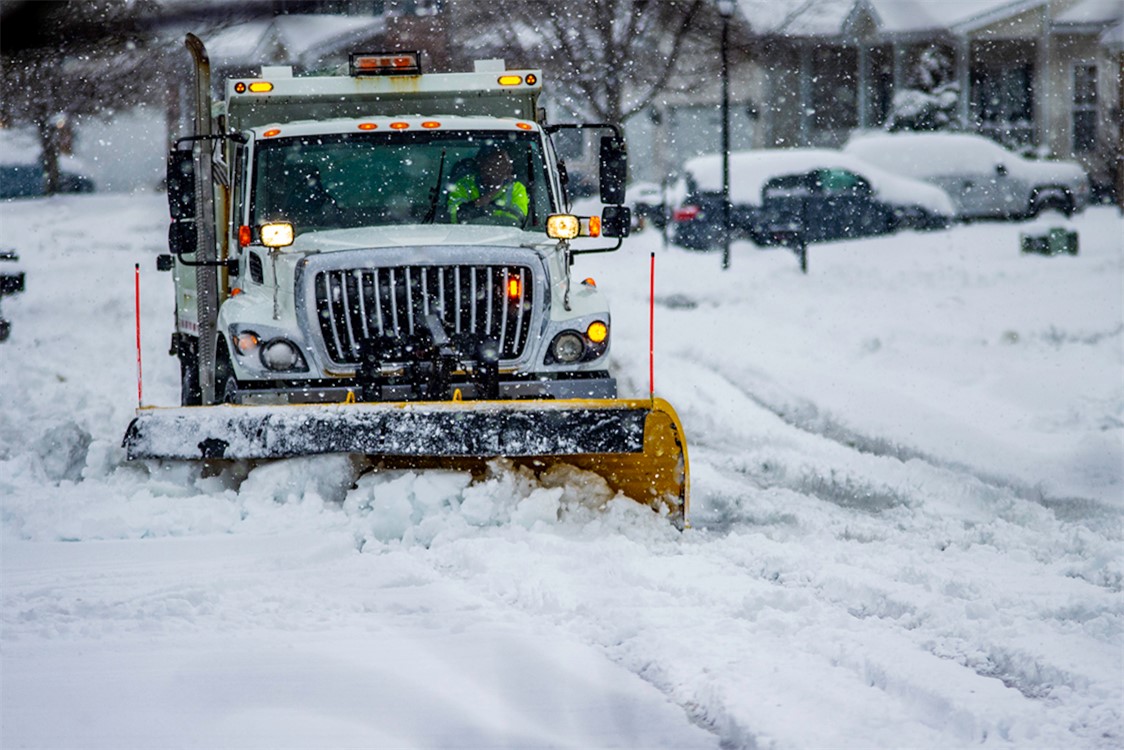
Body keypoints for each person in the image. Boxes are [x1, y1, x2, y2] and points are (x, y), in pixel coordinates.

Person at [447, 146, 529, 225]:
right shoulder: (463, 185)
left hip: (505, 236)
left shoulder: (516, 188)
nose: (509, 169)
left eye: (507, 165)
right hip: (462, 235)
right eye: (499, 165)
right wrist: (489, 195)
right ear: (483, 166)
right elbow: (456, 217)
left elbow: (516, 222)